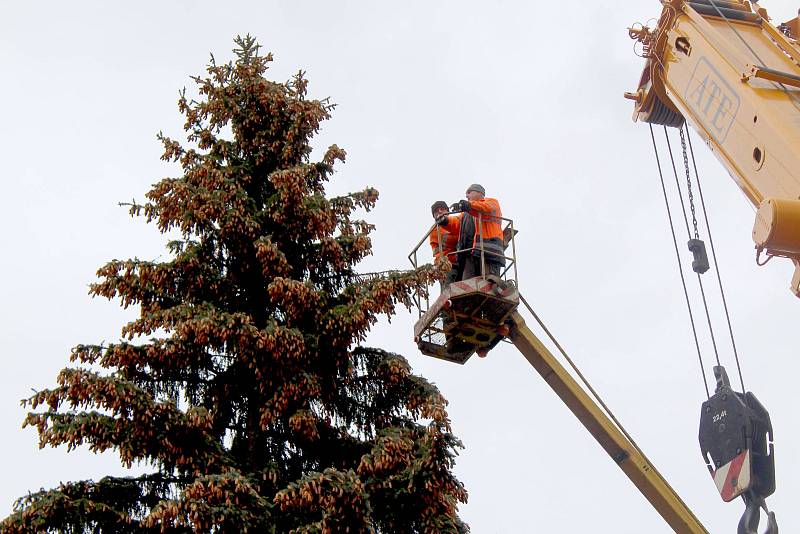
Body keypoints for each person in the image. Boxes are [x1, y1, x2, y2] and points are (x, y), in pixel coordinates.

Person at [450, 183, 506, 279]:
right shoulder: (467, 212)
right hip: (470, 253)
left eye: (469, 192)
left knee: (489, 281)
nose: (467, 195)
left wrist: (467, 205)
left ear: (479, 192)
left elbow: (486, 208)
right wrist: (445, 221)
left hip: (489, 253)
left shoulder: (492, 202)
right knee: (468, 283)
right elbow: (455, 223)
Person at [429, 200, 461, 286]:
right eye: (436, 211)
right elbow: (450, 241)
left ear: (447, 211)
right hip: (446, 265)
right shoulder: (435, 229)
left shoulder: (455, 222)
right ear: (434, 216)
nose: (439, 211)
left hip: (458, 262)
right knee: (448, 292)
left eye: (442, 209)